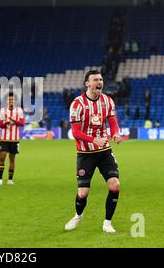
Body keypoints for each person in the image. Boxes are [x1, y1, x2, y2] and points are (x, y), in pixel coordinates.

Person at [64, 70, 122, 234]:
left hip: (104, 151)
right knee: (83, 193)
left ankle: (107, 223)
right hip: (85, 153)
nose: (99, 82)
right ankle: (78, 215)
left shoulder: (107, 101)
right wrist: (93, 140)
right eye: (95, 79)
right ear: (87, 84)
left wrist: (116, 134)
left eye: (101, 79)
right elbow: (75, 132)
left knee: (115, 184)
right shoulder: (77, 104)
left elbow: (113, 123)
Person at [0, 92, 25, 186]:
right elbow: (0, 124)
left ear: (15, 101)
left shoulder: (19, 110)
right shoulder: (2, 111)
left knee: (12, 160)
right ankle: (0, 179)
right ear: (6, 101)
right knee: (2, 158)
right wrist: (6, 122)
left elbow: (22, 123)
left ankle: (10, 180)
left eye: (12, 99)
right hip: (4, 139)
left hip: (14, 139)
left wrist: (13, 120)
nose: (11, 101)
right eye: (9, 100)